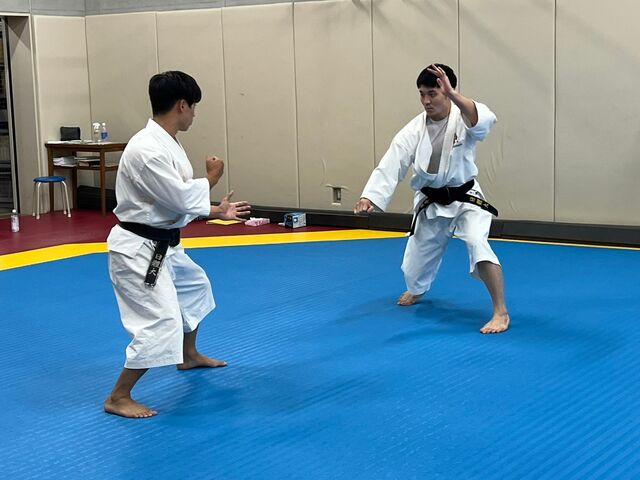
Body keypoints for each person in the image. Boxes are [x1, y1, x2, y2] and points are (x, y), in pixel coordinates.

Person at [104, 71, 251, 418]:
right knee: (160, 321)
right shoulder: (147, 149)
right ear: (182, 105)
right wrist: (212, 177)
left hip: (164, 244)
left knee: (195, 288)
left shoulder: (166, 141)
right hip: (138, 250)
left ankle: (188, 355)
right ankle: (119, 396)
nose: (195, 114)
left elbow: (172, 198)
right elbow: (181, 197)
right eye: (194, 107)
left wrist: (217, 210)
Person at [354, 64, 510, 334]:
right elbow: (392, 162)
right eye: (422, 94)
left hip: (466, 200)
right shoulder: (414, 129)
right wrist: (369, 196)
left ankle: (501, 312)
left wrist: (454, 95)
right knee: (413, 271)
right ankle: (417, 289)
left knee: (477, 243)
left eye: (433, 94)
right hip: (431, 203)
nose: (426, 100)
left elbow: (483, 121)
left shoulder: (463, 117)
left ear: (447, 92)